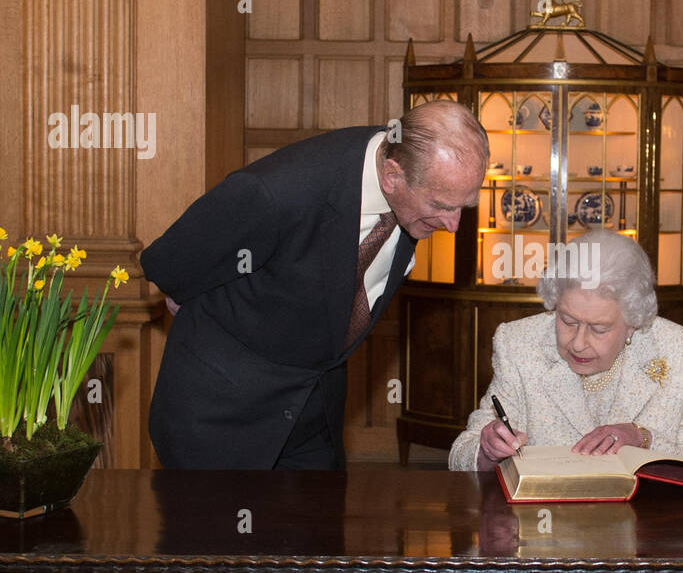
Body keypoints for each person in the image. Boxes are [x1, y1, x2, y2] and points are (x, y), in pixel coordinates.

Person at [141, 100, 488, 470]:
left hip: (313, 420)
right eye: (441, 205)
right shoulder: (277, 192)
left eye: (464, 206)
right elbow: (168, 265)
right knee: (223, 529)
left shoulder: (409, 165)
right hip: (220, 420)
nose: (454, 225)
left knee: (316, 528)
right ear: (391, 176)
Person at [449, 230, 683, 472]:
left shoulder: (680, 350)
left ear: (633, 322)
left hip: (643, 526)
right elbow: (459, 456)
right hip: (542, 526)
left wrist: (643, 439)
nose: (578, 343)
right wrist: (487, 450)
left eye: (599, 328)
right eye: (567, 321)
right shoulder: (519, 344)